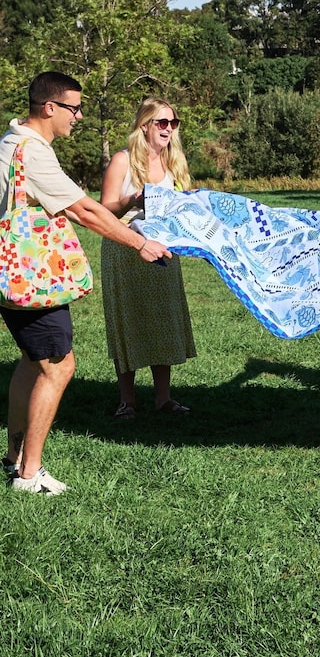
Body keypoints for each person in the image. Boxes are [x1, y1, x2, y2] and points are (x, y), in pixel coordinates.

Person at [0, 72, 171, 495]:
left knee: (32, 360)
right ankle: (30, 474)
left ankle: (13, 458)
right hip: (33, 277)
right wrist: (139, 243)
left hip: (10, 277)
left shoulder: (8, 142)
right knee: (59, 365)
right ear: (49, 107)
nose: (78, 117)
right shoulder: (33, 153)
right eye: (74, 108)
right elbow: (86, 212)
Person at [100, 97, 195, 419]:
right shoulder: (122, 161)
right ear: (144, 126)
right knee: (128, 319)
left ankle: (163, 399)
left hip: (162, 249)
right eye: (162, 122)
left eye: (173, 123)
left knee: (162, 321)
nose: (169, 128)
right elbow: (105, 210)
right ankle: (128, 400)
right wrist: (132, 200)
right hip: (125, 248)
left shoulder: (175, 162)